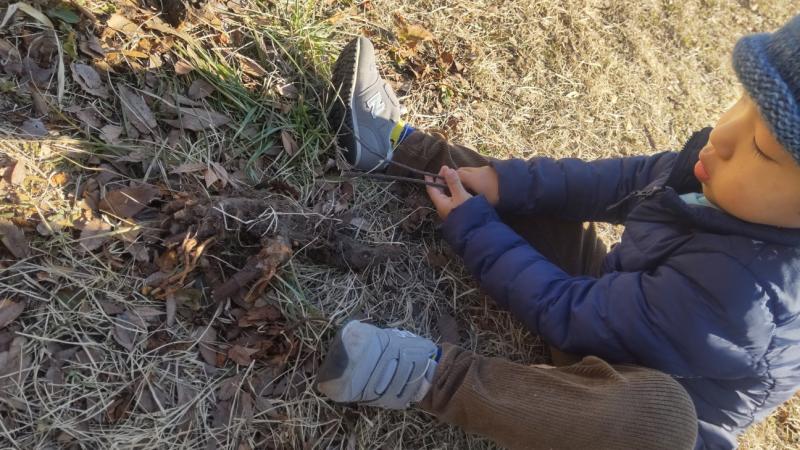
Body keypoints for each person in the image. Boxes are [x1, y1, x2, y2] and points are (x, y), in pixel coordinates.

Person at [316, 14, 800, 450]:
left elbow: (571, 314)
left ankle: (430, 379)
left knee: (659, 420)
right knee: (530, 200)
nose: (723, 135)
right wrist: (507, 183)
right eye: (743, 101)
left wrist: (473, 226)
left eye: (762, 147)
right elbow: (614, 184)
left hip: (633, 402)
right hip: (623, 312)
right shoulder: (717, 171)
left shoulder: (745, 297)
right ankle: (396, 147)